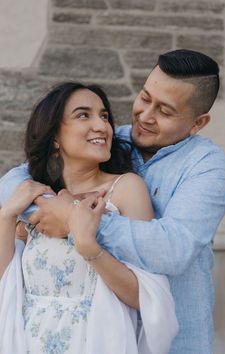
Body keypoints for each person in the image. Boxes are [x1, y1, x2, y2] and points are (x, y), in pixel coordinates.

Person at [0, 49, 225, 353]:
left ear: (198, 122)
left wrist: (74, 219)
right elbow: (14, 182)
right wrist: (40, 208)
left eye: (165, 111)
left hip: (176, 342)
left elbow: (173, 248)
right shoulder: (112, 142)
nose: (146, 116)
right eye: (145, 98)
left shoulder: (208, 166)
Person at [0, 82, 178, 354]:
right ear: (55, 136)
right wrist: (6, 215)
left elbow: (146, 295)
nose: (101, 126)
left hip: (94, 341)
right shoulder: (38, 198)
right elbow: (7, 282)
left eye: (104, 116)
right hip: (30, 340)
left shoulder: (125, 188)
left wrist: (88, 247)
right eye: (84, 115)